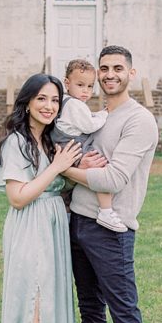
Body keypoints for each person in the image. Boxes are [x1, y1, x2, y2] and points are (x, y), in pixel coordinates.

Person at [62, 45, 159, 323]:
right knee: (89, 308)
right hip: (79, 221)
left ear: (131, 74)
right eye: (104, 68)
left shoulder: (139, 121)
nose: (109, 74)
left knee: (125, 316)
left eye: (117, 68)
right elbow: (73, 162)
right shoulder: (92, 117)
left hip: (113, 230)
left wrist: (66, 168)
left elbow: (113, 179)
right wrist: (72, 166)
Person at [0, 73, 82, 323]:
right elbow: (18, 195)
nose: (49, 106)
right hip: (30, 227)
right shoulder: (16, 143)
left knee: (51, 309)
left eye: (55, 100)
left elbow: (60, 183)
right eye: (42, 99)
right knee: (34, 312)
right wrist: (58, 169)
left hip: (54, 228)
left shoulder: (50, 142)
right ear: (27, 102)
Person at [51, 57, 127, 233]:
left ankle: (68, 214)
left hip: (66, 147)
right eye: (80, 85)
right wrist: (105, 115)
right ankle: (106, 211)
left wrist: (98, 114)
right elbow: (90, 125)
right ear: (67, 83)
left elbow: (86, 119)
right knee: (100, 169)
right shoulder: (74, 105)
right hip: (74, 148)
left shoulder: (68, 104)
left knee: (69, 193)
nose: (86, 91)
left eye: (90, 86)